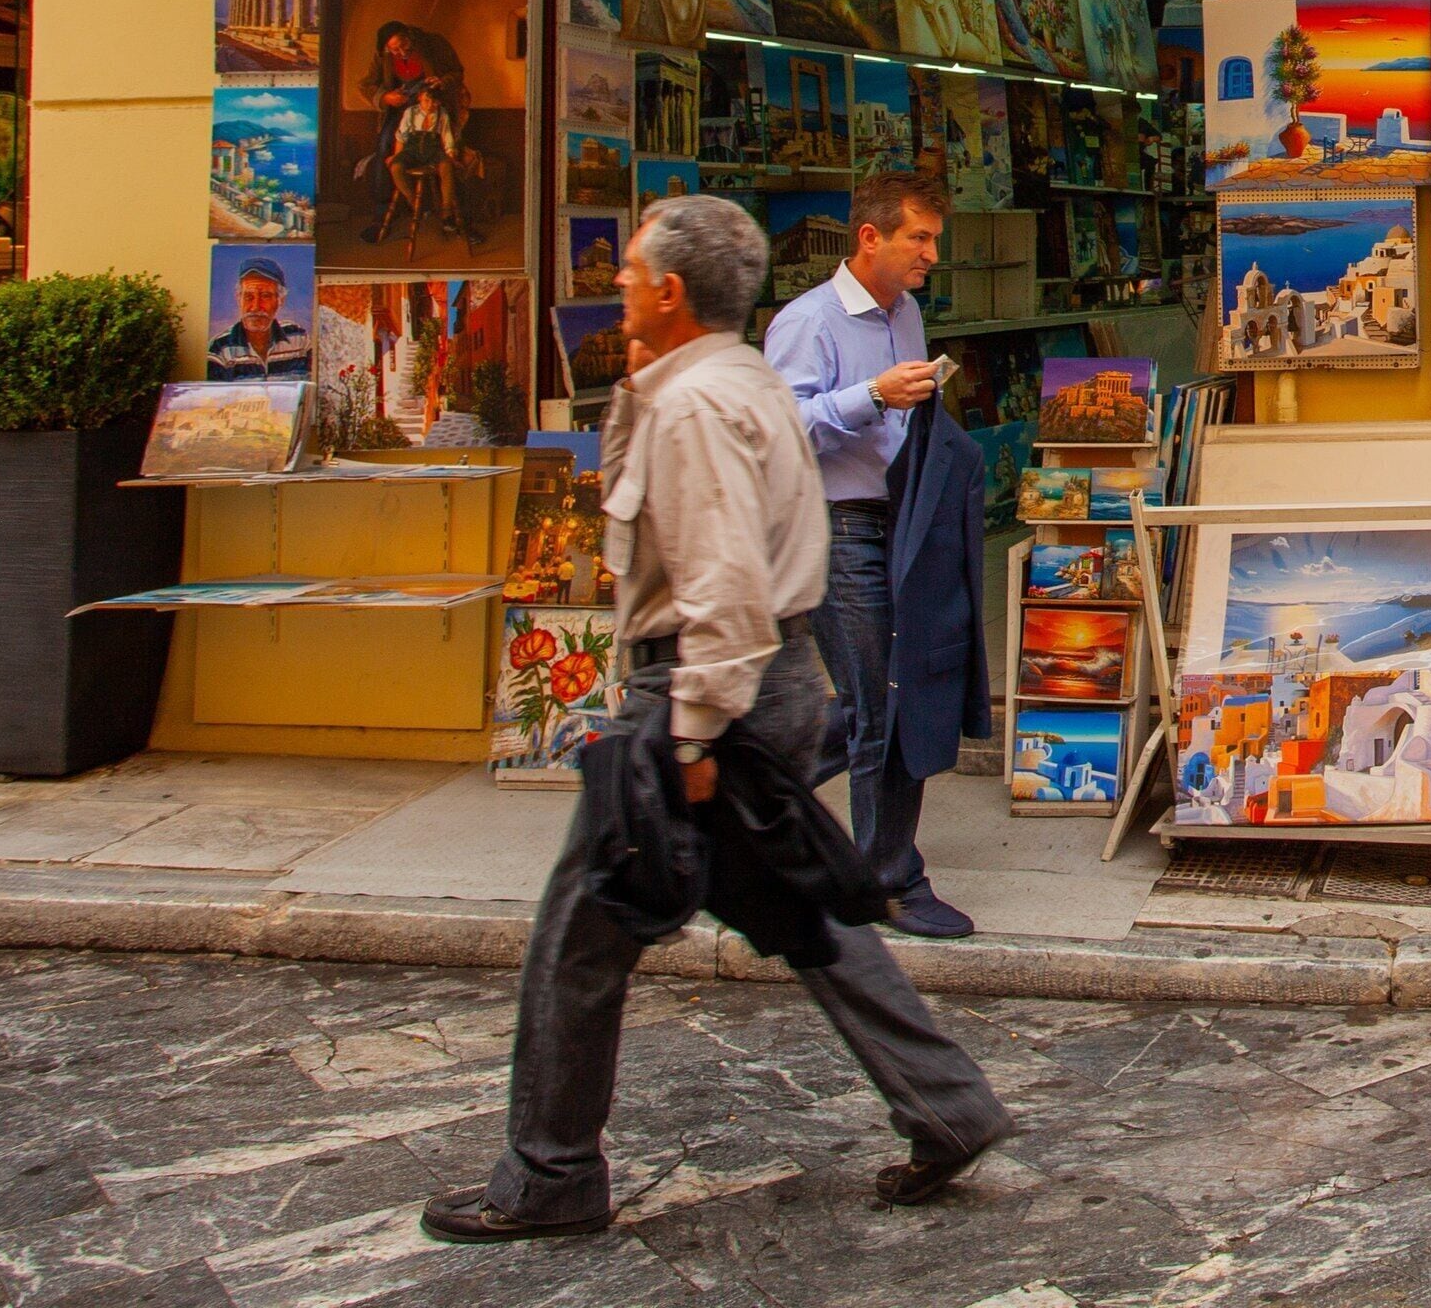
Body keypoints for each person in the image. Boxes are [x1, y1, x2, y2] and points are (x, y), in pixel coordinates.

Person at [421, 196, 1009, 1242]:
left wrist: (690, 738)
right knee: (808, 909)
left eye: (631, 272)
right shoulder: (733, 382)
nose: (619, 289)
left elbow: (727, 582)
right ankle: (949, 1104)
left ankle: (551, 1173)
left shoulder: (699, 405)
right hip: (751, 681)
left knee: (579, 935)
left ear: (670, 291)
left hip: (701, 689)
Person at [763, 171, 966, 938]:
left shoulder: (906, 312)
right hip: (836, 524)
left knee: (873, 699)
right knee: (884, 699)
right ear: (870, 238)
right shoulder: (807, 321)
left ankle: (745, 787)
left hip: (901, 521)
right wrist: (873, 396)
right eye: (919, 238)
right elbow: (777, 430)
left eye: (934, 239)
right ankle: (890, 879)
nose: (931, 255)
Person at [205, 257, 310, 379]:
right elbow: (217, 396)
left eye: (265, 296)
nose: (255, 307)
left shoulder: (298, 338)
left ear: (280, 300)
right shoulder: (220, 347)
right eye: (249, 297)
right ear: (239, 299)